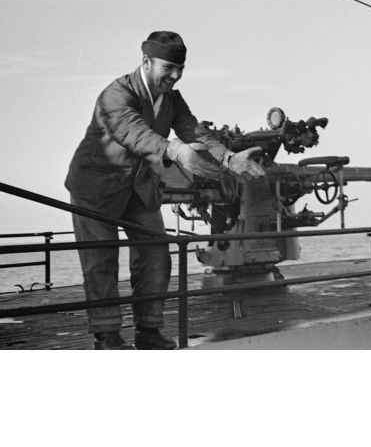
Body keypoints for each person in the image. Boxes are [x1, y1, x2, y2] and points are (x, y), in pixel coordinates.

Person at [65, 31, 265, 349]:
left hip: (138, 186)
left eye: (180, 69)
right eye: (169, 67)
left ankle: (149, 331)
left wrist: (229, 158)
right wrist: (178, 151)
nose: (175, 75)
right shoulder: (115, 95)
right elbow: (134, 132)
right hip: (95, 187)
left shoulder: (172, 99)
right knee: (101, 260)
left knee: (156, 253)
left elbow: (193, 129)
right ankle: (107, 337)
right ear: (147, 61)